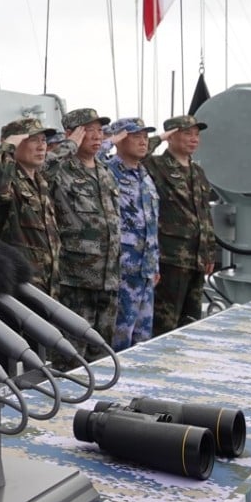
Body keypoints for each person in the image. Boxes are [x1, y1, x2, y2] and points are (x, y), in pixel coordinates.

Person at [45, 107, 121, 365]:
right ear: (72, 134)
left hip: (109, 276)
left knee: (103, 353)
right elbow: (40, 171)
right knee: (71, 356)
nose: (97, 136)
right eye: (89, 130)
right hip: (75, 278)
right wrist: (67, 146)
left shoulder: (105, 171)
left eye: (100, 130)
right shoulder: (60, 169)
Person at [143, 114, 217, 336]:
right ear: (172, 137)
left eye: (196, 135)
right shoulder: (157, 165)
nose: (194, 139)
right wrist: (159, 138)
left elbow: (204, 214)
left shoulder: (198, 172)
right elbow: (137, 154)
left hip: (197, 258)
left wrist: (209, 252)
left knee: (192, 321)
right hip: (170, 258)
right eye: (187, 134)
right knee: (165, 324)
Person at [102, 118, 160, 350]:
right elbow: (85, 159)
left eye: (145, 137)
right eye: (136, 137)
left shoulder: (145, 175)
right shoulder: (108, 171)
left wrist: (155, 265)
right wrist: (110, 141)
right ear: (120, 139)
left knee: (143, 339)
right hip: (122, 269)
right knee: (120, 338)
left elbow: (151, 223)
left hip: (145, 270)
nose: (143, 142)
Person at [0, 117, 61, 297]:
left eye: (43, 140)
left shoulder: (41, 183)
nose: (41, 146)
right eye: (33, 140)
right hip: (21, 287)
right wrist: (7, 146)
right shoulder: (8, 181)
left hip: (49, 284)